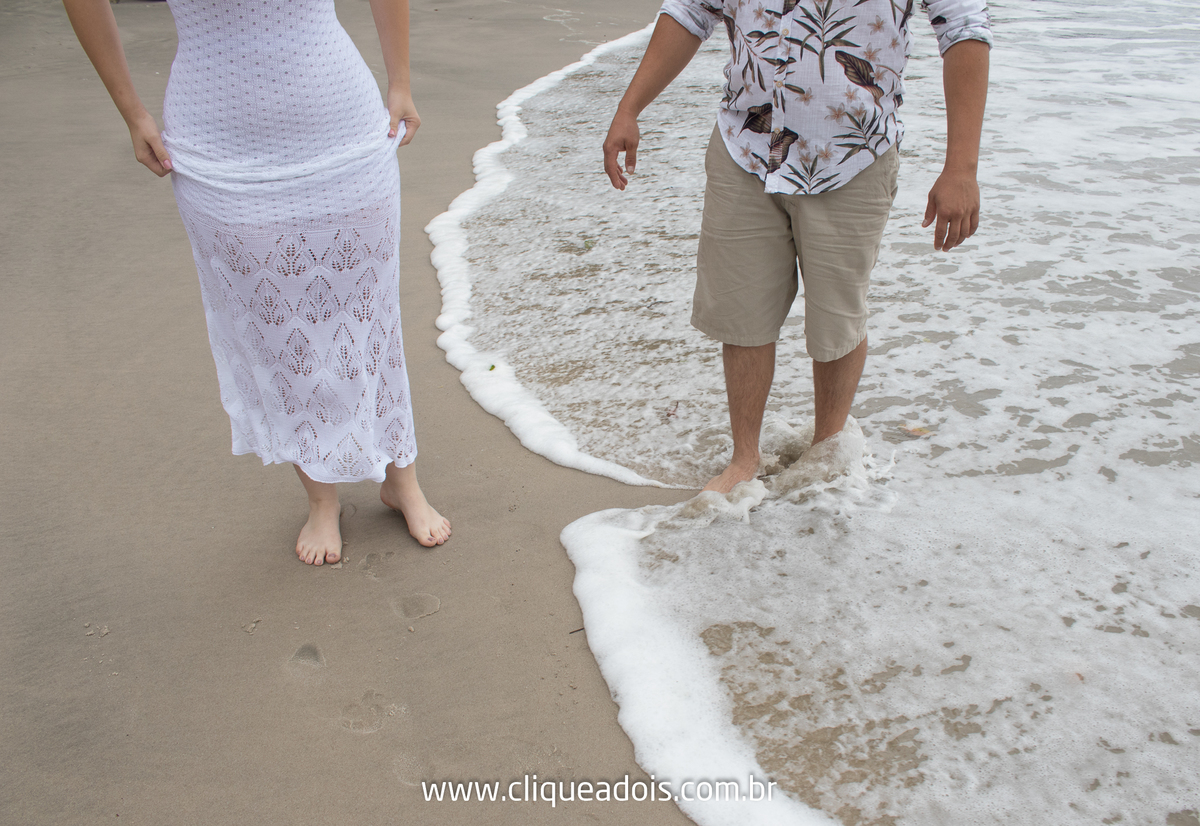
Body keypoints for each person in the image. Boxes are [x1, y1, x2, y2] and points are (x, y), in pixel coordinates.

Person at [63, 0, 450, 564]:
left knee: (370, 318)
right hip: (219, 148)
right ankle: (321, 499)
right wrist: (132, 112)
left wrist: (401, 80)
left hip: (340, 127)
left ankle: (402, 479)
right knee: (275, 335)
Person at [603, 0, 991, 492]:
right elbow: (690, 11)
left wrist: (961, 167)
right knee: (741, 312)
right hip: (746, 144)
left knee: (836, 317)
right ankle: (744, 460)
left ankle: (825, 459)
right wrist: (628, 108)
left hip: (852, 153)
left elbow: (963, 26)